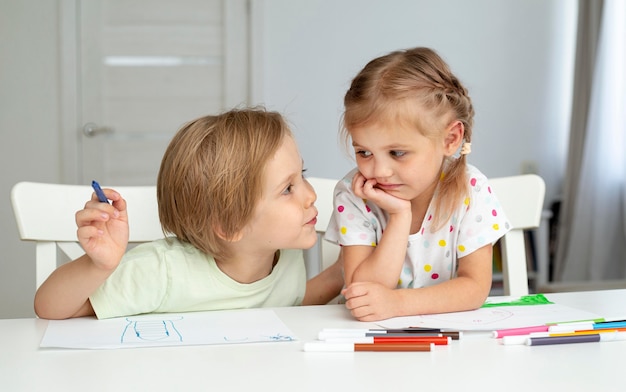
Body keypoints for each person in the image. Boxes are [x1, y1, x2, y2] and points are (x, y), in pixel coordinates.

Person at [34, 107, 344, 320]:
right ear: (229, 225)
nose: (311, 195)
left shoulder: (282, 257)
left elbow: (288, 303)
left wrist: (339, 272)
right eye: (288, 188)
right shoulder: (162, 271)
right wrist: (97, 267)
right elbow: (50, 308)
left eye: (302, 174)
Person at [325, 47, 510, 322]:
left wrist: (398, 304)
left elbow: (474, 288)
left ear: (450, 140)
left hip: (444, 336)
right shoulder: (354, 194)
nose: (379, 170)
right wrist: (400, 217)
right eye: (364, 152)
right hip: (365, 341)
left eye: (397, 153)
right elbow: (363, 290)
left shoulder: (471, 190)